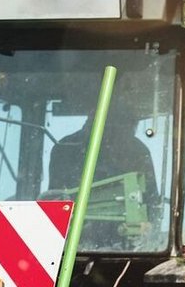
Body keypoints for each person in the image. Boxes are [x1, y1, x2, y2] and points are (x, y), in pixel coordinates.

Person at [47, 107, 160, 249]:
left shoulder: (137, 151)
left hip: (127, 247)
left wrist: (148, 227)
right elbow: (54, 203)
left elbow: (152, 204)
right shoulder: (66, 148)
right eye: (129, 125)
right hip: (74, 246)